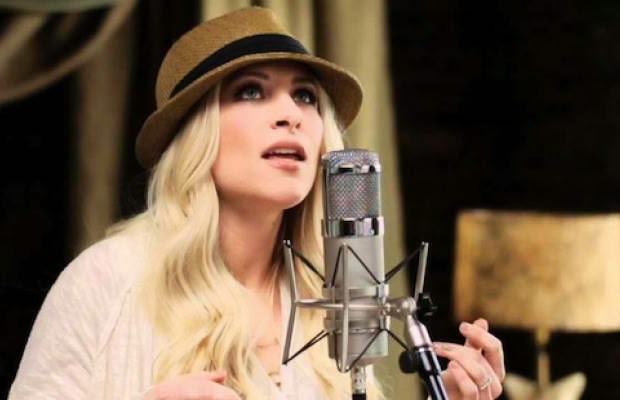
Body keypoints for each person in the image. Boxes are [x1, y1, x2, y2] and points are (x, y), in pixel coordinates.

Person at [9, 6, 505, 400]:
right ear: (197, 135)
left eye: (305, 96)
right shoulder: (108, 281)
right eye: (251, 92)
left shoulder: (332, 299)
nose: (291, 114)